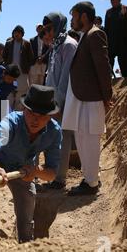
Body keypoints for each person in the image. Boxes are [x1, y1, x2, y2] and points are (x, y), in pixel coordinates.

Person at [0, 85, 62, 243]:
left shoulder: (54, 132)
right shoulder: (10, 122)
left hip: (23, 170)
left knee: (27, 206)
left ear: (50, 117)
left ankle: (24, 246)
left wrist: (35, 172)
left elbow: (52, 173)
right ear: (24, 109)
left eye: (41, 115)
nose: (35, 119)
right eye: (31, 113)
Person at [63, 1, 113, 196]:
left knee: (89, 139)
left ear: (83, 16)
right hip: (83, 97)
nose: (72, 20)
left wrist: (107, 96)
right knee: (82, 138)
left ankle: (91, 184)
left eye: (74, 16)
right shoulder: (85, 36)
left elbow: (103, 68)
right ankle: (90, 178)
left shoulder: (95, 34)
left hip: (91, 98)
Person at [41, 12, 79, 190]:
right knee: (53, 139)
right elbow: (51, 78)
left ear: (58, 26)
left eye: (49, 29)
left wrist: (57, 103)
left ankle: (60, 179)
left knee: (63, 140)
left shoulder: (69, 46)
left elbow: (65, 79)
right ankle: (54, 176)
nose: (46, 33)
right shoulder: (56, 47)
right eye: (44, 30)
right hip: (52, 101)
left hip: (65, 102)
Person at [2, 25, 34, 111]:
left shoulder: (27, 44)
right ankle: (8, 113)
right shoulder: (8, 43)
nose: (16, 34)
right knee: (9, 92)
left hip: (22, 72)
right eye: (15, 32)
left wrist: (26, 67)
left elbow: (31, 58)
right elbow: (4, 56)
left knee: (21, 92)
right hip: (10, 73)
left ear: (22, 34)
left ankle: (18, 112)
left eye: (18, 33)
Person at [105, 0, 127, 78]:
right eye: (111, 0)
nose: (112, 2)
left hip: (123, 40)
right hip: (111, 41)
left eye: (114, 0)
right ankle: (108, 78)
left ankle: (126, 77)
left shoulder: (126, 9)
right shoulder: (108, 12)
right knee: (109, 61)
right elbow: (106, 27)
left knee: (124, 61)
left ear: (119, 0)